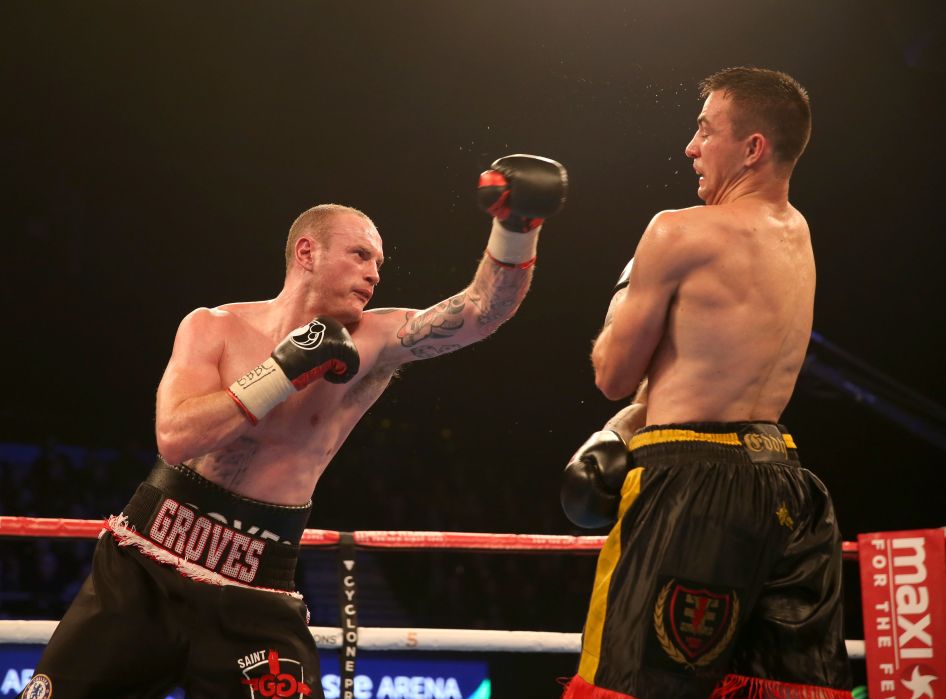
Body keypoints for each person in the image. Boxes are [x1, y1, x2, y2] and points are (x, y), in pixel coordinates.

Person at [21, 154, 567, 699]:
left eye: (378, 263)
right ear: (307, 252)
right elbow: (176, 436)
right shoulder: (213, 326)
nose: (374, 273)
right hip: (145, 565)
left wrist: (515, 227)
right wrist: (280, 373)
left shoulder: (372, 343)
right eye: (360, 255)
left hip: (255, 584)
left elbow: (479, 313)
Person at [560, 68, 852, 698]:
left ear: (752, 148)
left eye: (704, 129)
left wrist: (624, 292)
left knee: (628, 684)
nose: (690, 147)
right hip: (785, 484)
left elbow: (613, 376)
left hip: (689, 484)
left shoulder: (678, 230)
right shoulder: (798, 236)